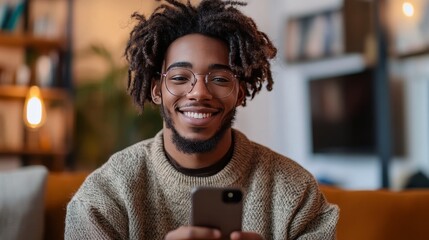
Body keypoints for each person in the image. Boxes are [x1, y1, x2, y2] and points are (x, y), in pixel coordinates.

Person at [65, 0, 339, 239]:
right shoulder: (103, 197)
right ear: (156, 90)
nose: (199, 93)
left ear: (240, 93)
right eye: (180, 78)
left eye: (219, 79)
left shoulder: (296, 195)